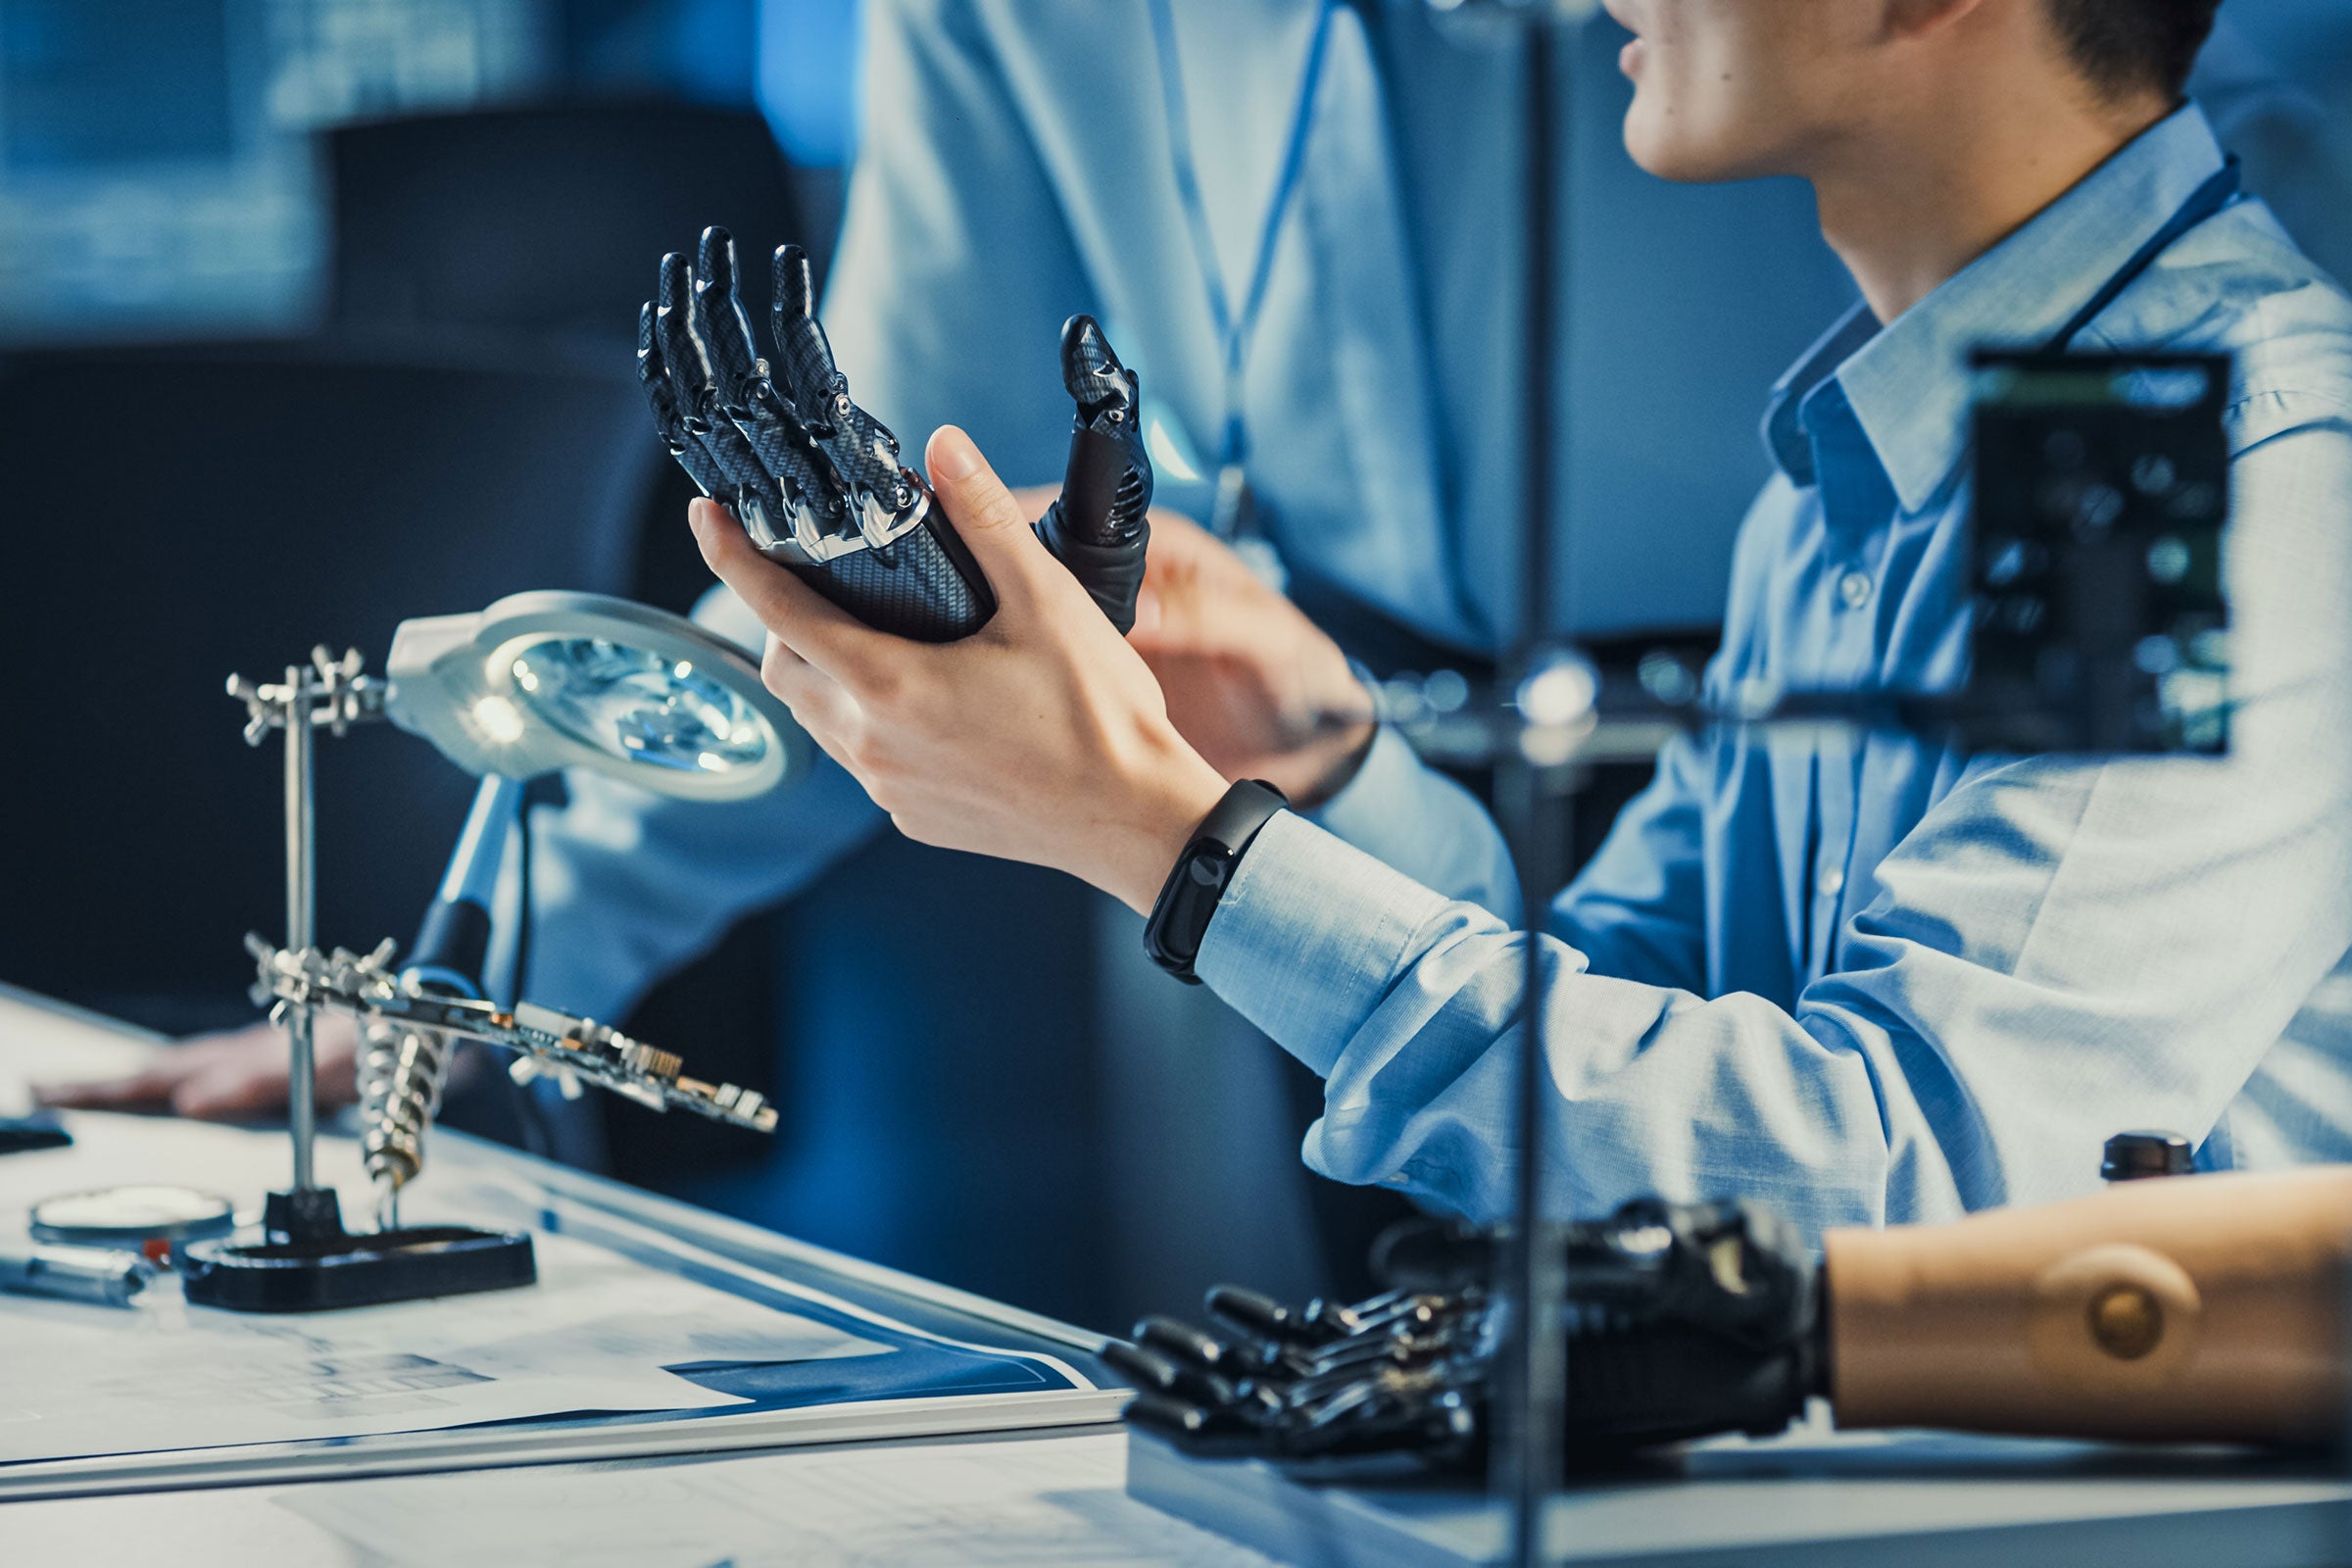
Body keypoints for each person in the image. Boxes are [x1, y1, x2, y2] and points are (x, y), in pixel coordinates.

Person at [49, 2, 2352, 1242]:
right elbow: (1687, 1019)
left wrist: (1176, 841)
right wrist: (1318, 784)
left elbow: (1904, 1169)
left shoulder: (2147, 430)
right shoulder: (1916, 433)